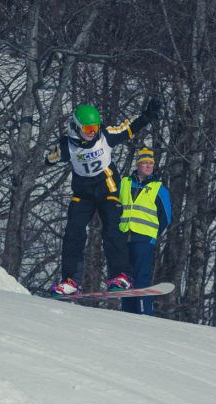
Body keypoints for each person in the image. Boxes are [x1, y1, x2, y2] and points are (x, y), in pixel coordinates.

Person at [46, 99, 161, 296]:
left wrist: (147, 116)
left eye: (95, 127)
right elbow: (52, 157)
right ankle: (70, 280)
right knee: (73, 232)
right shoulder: (68, 145)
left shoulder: (105, 136)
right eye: (88, 129)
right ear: (76, 127)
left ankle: (119, 276)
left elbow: (128, 128)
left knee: (113, 230)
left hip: (108, 189)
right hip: (83, 193)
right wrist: (49, 159)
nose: (92, 132)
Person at [118, 147, 172, 315]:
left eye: (151, 163)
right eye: (145, 162)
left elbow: (166, 217)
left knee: (141, 277)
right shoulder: (125, 182)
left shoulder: (158, 188)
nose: (149, 166)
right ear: (138, 164)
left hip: (144, 238)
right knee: (124, 278)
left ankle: (144, 312)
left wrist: (153, 236)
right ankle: (127, 311)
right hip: (124, 236)